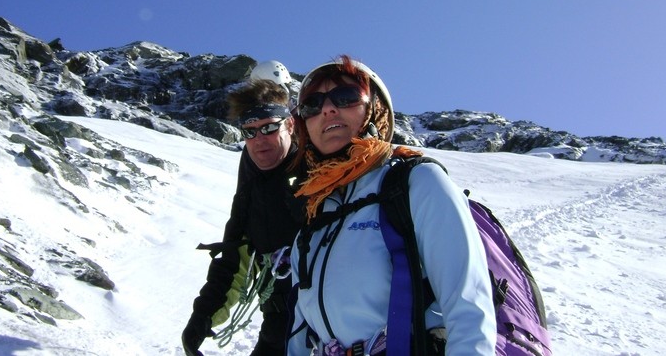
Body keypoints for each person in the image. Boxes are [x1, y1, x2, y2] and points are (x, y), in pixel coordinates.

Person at [286, 55, 497, 355]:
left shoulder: (416, 183)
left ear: (376, 111)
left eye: (345, 97)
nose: (328, 108)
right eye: (312, 104)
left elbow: (468, 306)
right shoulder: (314, 218)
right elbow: (299, 331)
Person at [182, 78, 305, 356]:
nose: (259, 140)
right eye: (250, 131)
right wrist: (203, 317)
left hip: (329, 328)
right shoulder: (252, 183)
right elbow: (234, 256)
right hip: (279, 321)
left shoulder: (320, 172)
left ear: (291, 125)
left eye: (269, 127)